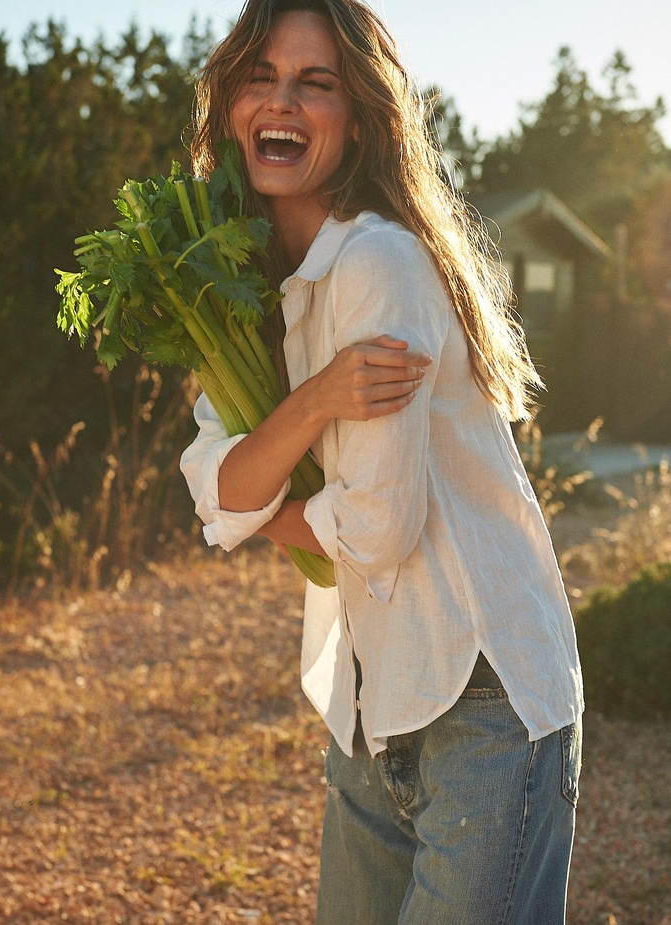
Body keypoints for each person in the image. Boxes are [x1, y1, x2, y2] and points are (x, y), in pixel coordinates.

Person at [180, 1, 584, 922]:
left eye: (315, 83)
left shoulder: (378, 262)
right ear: (230, 103)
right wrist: (316, 399)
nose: (281, 100)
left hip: (484, 691)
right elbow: (212, 482)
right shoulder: (240, 288)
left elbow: (372, 524)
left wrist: (258, 495)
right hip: (369, 697)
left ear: (357, 117)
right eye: (260, 75)